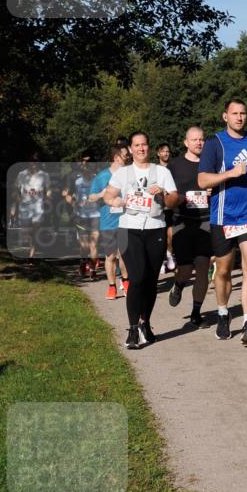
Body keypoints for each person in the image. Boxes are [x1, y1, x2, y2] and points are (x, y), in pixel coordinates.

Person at [198, 99, 247, 346]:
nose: (239, 117)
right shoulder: (215, 143)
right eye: (234, 113)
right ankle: (223, 313)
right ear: (225, 116)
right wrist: (230, 173)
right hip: (223, 215)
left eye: (243, 113)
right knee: (224, 270)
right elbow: (202, 181)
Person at [103, 131, 178, 350]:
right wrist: (117, 201)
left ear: (149, 147)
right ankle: (133, 329)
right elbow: (108, 195)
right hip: (129, 229)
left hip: (155, 229)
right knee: (136, 278)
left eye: (144, 144)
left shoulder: (162, 172)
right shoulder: (123, 173)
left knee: (151, 281)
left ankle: (146, 323)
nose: (141, 148)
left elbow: (174, 200)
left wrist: (163, 194)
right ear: (130, 149)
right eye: (136, 145)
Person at [168, 127, 212, 327]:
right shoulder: (175, 165)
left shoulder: (211, 163)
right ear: (186, 142)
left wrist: (212, 190)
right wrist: (177, 197)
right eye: (194, 140)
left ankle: (196, 312)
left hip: (206, 220)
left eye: (201, 139)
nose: (199, 143)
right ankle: (178, 285)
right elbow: (167, 193)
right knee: (185, 269)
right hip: (182, 221)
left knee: (202, 266)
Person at [89, 146, 129, 299]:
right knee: (110, 256)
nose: (128, 157)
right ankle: (112, 287)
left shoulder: (129, 174)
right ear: (116, 158)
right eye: (125, 155)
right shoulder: (102, 176)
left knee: (124, 255)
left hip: (126, 221)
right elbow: (90, 198)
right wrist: (101, 194)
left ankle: (126, 282)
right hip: (108, 222)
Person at [65, 152, 101, 279]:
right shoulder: (77, 180)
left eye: (89, 164)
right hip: (81, 216)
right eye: (84, 164)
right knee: (84, 246)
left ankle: (93, 270)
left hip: (96, 215)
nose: (86, 166)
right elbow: (67, 194)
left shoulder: (98, 180)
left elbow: (105, 194)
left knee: (94, 244)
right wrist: (73, 203)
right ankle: (83, 262)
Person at [11, 154, 52, 262]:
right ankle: (31, 247)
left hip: (38, 207)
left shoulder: (44, 175)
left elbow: (48, 189)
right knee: (26, 232)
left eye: (36, 160)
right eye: (31, 160)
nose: (34, 162)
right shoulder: (21, 174)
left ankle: (31, 256)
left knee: (35, 230)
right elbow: (15, 188)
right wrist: (17, 197)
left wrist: (48, 196)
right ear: (28, 162)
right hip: (24, 207)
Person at [156, 142, 176, 273]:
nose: (166, 153)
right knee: (159, 237)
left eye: (168, 151)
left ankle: (169, 255)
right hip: (158, 206)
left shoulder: (174, 167)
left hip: (171, 206)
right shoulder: (154, 169)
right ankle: (160, 261)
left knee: (170, 234)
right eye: (163, 151)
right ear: (158, 153)